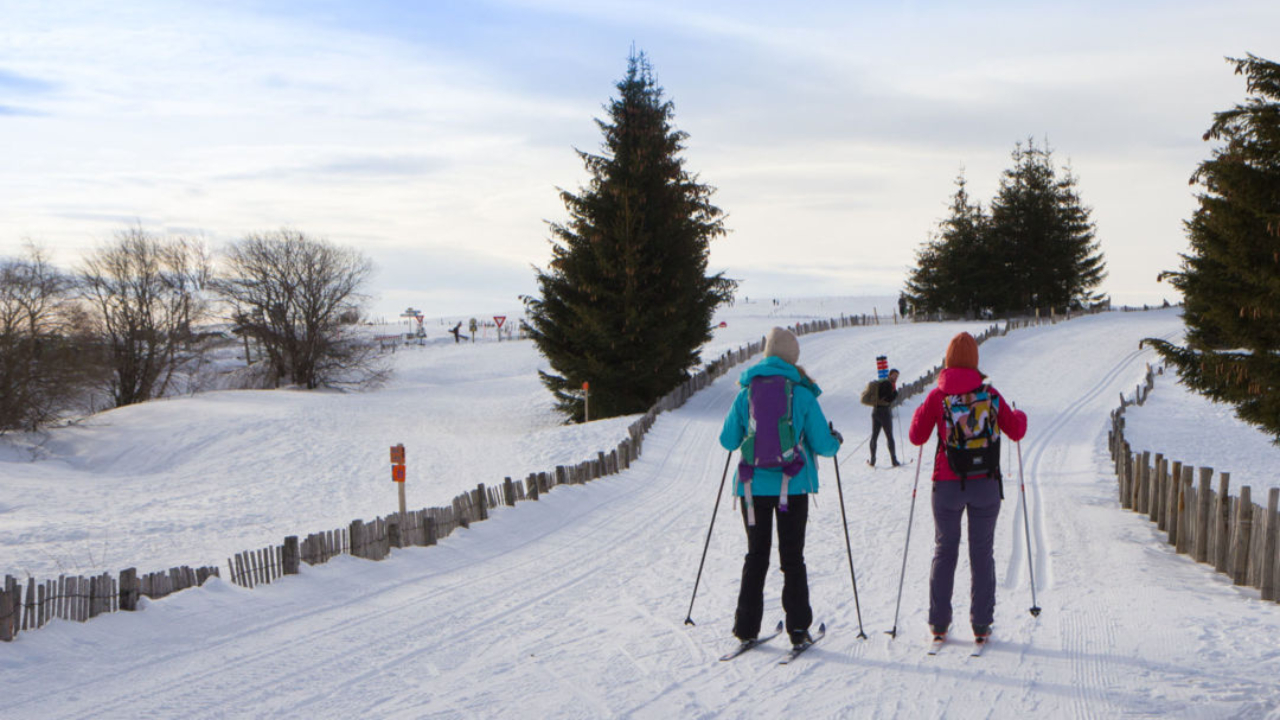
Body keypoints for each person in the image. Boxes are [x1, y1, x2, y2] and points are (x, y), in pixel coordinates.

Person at [719, 327, 843, 648]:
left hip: (751, 488)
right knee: (792, 558)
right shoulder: (801, 393)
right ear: (792, 357)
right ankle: (798, 630)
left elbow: (728, 440)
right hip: (793, 486)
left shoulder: (746, 393)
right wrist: (835, 440)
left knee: (755, 555)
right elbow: (824, 445)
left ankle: (745, 628)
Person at [908, 331, 1027, 644]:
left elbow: (916, 437)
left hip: (946, 486)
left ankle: (939, 623)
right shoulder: (990, 394)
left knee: (944, 550)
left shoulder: (937, 397)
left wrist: (922, 413)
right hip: (985, 484)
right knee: (982, 552)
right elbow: (1016, 431)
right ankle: (981, 623)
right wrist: (1020, 415)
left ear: (948, 360)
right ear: (975, 360)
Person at [868, 368, 901, 467]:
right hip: (884, 413)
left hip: (875, 411)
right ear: (890, 375)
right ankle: (894, 460)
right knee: (889, 436)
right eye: (894, 375)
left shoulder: (882, 383)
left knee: (874, 436)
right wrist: (895, 394)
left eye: (897, 376)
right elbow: (887, 398)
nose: (896, 378)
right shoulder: (888, 384)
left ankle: (872, 460)